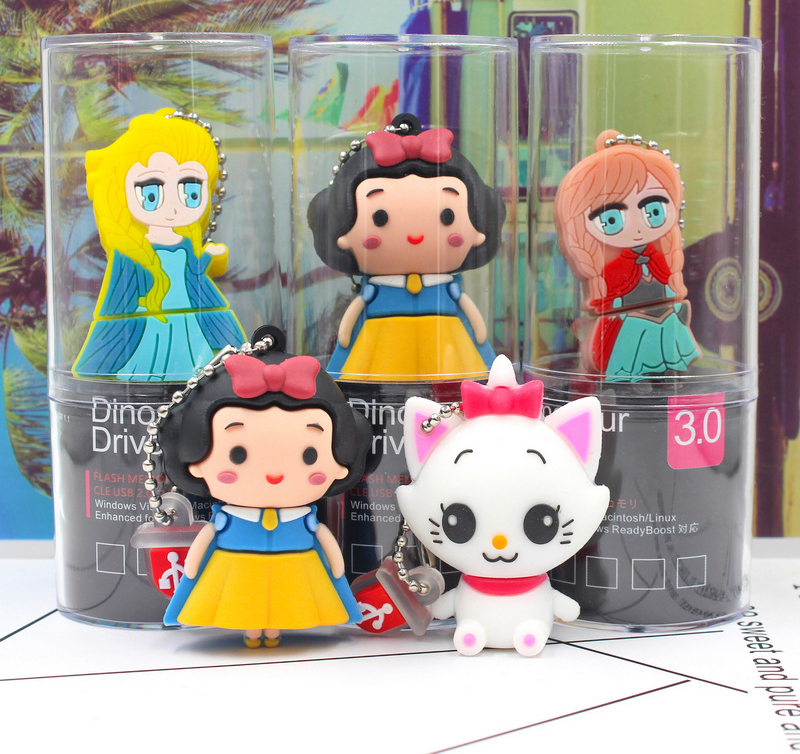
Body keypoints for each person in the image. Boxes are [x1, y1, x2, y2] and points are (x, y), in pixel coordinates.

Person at [160, 329, 372, 646]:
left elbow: (324, 539)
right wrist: (191, 568)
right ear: (195, 460)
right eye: (238, 454)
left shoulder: (303, 518)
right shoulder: (228, 518)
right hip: (235, 569)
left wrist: (337, 565)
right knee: (242, 605)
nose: (274, 474)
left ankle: (273, 631)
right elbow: (205, 542)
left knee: (287, 607)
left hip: (297, 569)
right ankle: (251, 629)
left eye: (310, 455)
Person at [308, 113, 505, 381]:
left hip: (446, 343)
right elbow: (352, 318)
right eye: (380, 218)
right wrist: (344, 336)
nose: (415, 236)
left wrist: (480, 335)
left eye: (448, 216)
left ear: (479, 232)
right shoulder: (375, 291)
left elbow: (470, 315)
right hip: (381, 341)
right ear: (341, 234)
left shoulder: (447, 288)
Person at [73, 108, 244, 380]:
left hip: (189, 322)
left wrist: (210, 258)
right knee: (152, 361)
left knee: (195, 359)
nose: (173, 207)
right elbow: (120, 297)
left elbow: (194, 275)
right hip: (150, 324)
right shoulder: (131, 253)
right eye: (151, 192)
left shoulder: (185, 245)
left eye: (190, 191)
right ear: (119, 191)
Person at [553, 130, 700, 380]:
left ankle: (668, 371)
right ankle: (633, 378)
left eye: (654, 210)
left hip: (664, 314)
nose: (638, 227)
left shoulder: (661, 259)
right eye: (612, 219)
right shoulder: (610, 269)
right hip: (627, 320)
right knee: (633, 343)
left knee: (667, 337)